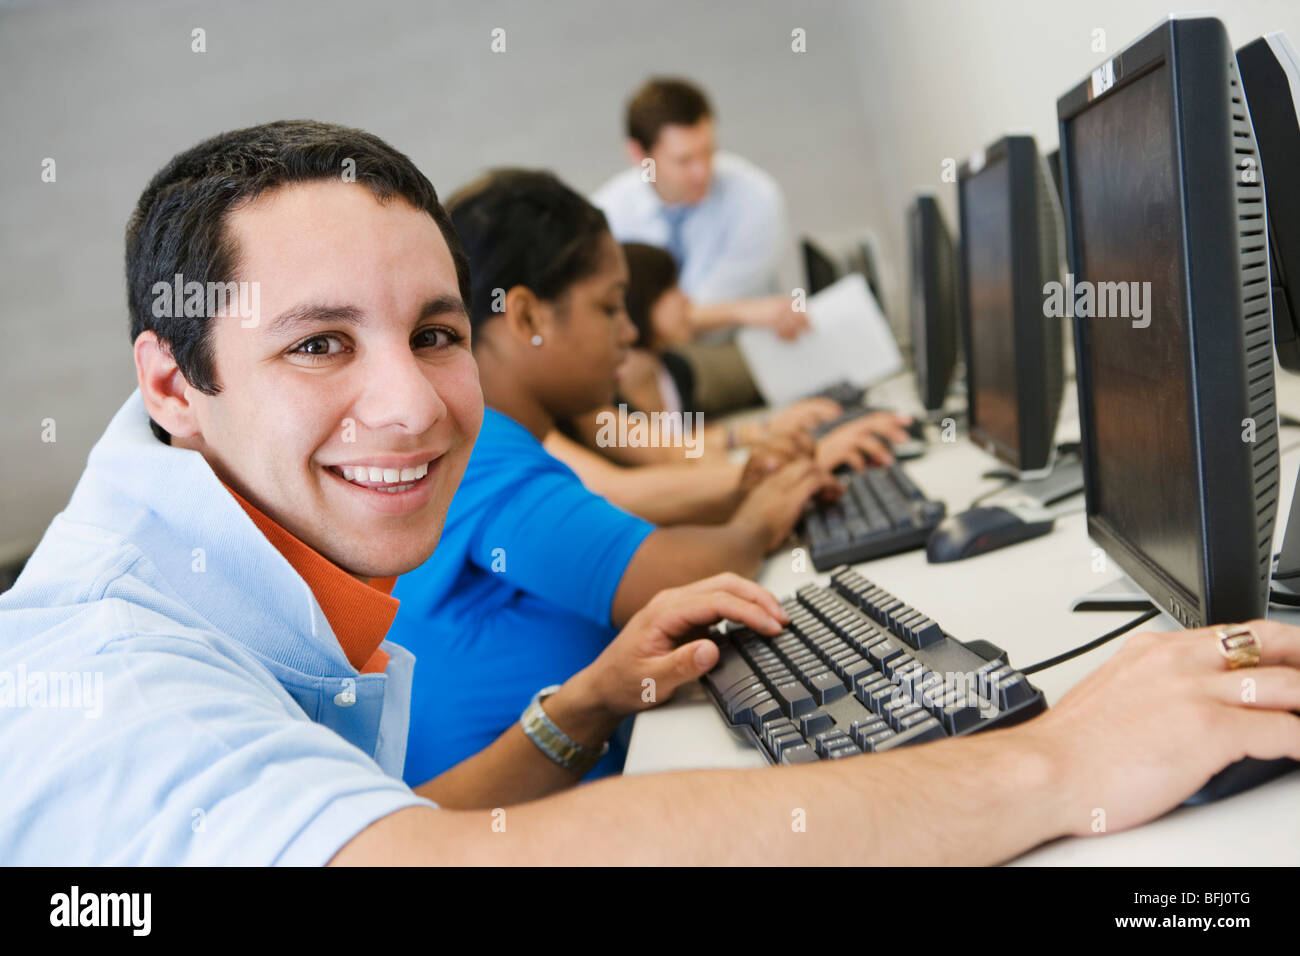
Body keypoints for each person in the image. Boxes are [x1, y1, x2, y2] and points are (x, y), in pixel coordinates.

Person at [3, 120, 1297, 867]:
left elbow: (356, 827)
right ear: (173, 383)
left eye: (437, 333)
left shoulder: (250, 570)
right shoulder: (107, 682)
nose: (410, 405)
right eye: (319, 343)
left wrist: (579, 707)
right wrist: (1055, 764)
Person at [390, 170, 842, 784]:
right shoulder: (481, 454)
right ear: (525, 318)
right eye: (609, 307)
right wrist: (759, 520)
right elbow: (675, 574)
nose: (628, 333)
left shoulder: (496, 444)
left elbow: (624, 533)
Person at [592, 77, 810, 414]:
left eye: (708, 152)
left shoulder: (755, 197)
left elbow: (688, 313)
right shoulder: (607, 215)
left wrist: (667, 317)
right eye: (683, 160)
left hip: (727, 348)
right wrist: (743, 310)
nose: (702, 172)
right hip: (648, 361)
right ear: (639, 155)